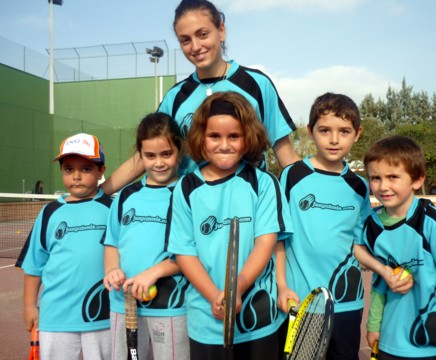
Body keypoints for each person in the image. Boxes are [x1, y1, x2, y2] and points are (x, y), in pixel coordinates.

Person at [101, 0, 300, 192]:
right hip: (193, 214)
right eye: (185, 40)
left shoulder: (256, 84)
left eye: (202, 34)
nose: (195, 47)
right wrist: (100, 194)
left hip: (249, 211)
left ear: (221, 31)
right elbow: (147, 155)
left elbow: (286, 156)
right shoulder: (176, 97)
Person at [276, 93, 412, 360]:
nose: (335, 139)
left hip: (348, 304)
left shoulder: (359, 186)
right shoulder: (293, 175)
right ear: (310, 131)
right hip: (301, 302)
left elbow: (358, 245)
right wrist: (281, 285)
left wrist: (384, 271)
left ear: (357, 134)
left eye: (344, 131)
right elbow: (279, 237)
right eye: (325, 130)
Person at [167, 91, 293, 360]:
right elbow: (184, 252)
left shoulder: (263, 183)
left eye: (233, 136)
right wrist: (215, 294)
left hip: (258, 318)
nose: (224, 145)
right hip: (206, 320)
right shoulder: (185, 188)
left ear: (248, 137)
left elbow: (266, 243)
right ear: (201, 137)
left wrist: (239, 286)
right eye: (215, 136)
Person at [358, 135, 436, 360]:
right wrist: (373, 324)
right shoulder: (371, 225)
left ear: (417, 180)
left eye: (393, 177)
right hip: (389, 342)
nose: (383, 186)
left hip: (433, 345)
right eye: (375, 178)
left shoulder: (433, 224)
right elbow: (380, 281)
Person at [16, 133, 111, 360]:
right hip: (55, 316)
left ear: (101, 171)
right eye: (69, 169)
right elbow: (34, 266)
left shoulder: (113, 208)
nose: (76, 176)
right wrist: (30, 306)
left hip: (103, 316)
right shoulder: (49, 212)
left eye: (86, 169)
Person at [103, 112, 189, 360]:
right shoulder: (126, 195)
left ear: (179, 150)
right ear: (139, 155)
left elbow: (189, 253)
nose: (159, 163)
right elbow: (112, 243)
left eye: (166, 154)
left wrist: (153, 273)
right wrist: (112, 269)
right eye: (150, 156)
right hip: (124, 303)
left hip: (171, 306)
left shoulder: (187, 193)